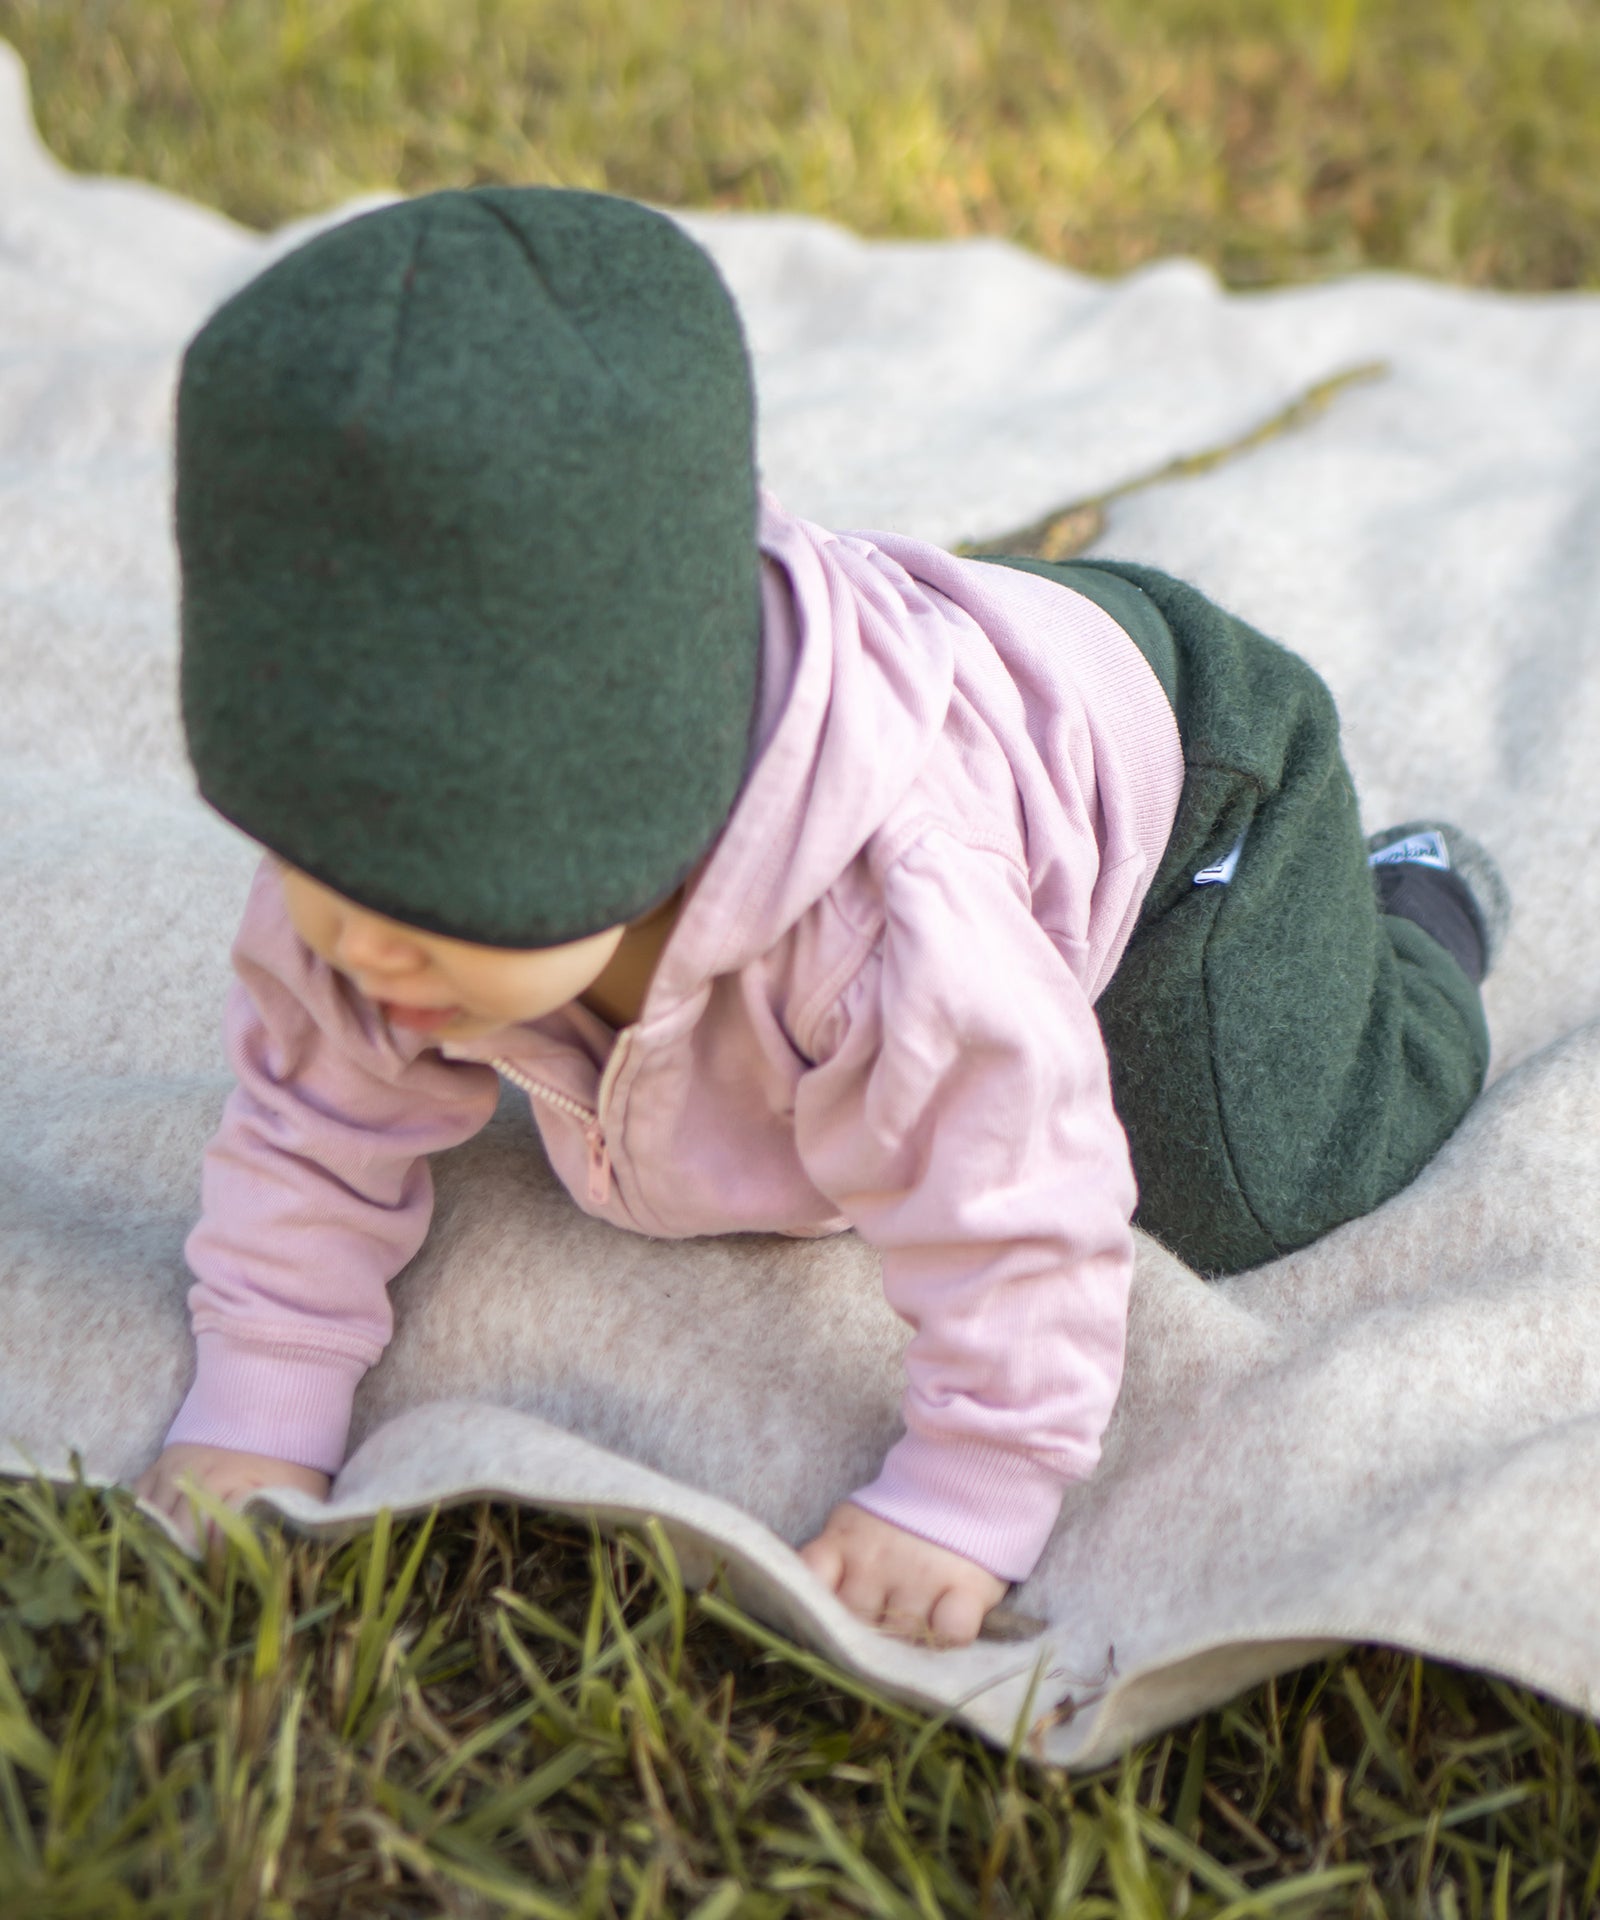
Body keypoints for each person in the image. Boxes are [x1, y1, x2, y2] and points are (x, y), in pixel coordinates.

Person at [133, 186, 1508, 1648]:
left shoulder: (893, 927)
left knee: (1235, 1174)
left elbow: (1020, 1206)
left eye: (428, 891)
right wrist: (261, 1401)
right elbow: (305, 1129)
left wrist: (967, 1492)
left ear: (635, 814)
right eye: (309, 858)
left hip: (1192, 790)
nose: (354, 944)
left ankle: (1415, 908)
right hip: (967, 681)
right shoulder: (362, 892)